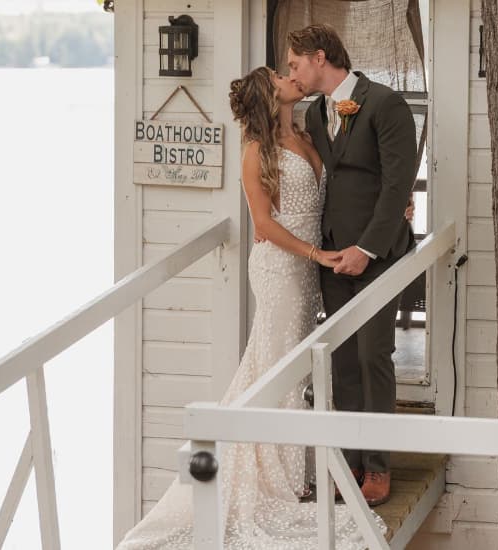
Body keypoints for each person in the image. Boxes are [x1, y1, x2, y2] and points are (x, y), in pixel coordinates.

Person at [115, 66, 377, 549]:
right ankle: (277, 479)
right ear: (268, 93)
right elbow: (264, 223)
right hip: (281, 267)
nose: (290, 75)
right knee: (276, 366)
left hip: (307, 270)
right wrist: (316, 253)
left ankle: (286, 470)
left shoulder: (305, 132)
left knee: (288, 371)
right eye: (281, 76)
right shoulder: (257, 152)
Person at [287, 23, 418, 506]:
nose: (292, 71)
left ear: (319, 57)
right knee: (342, 362)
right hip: (332, 253)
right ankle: (351, 464)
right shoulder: (316, 114)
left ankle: (380, 468)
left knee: (371, 356)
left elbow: (397, 183)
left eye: (295, 62)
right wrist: (329, 248)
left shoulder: (385, 104)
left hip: (378, 254)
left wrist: (368, 247)